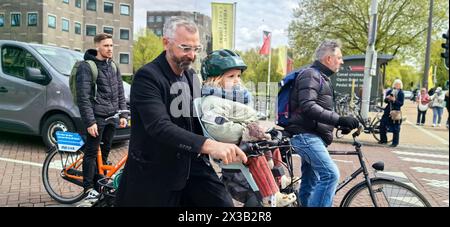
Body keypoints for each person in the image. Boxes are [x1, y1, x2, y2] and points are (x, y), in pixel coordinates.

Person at [115, 17, 247, 207]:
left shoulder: (191, 76)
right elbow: (159, 126)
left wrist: (238, 134)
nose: (192, 55)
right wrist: (210, 146)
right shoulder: (148, 77)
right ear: (166, 42)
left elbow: (198, 121)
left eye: (196, 49)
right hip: (157, 173)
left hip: (192, 167)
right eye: (185, 48)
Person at [199, 49, 297, 207]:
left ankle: (279, 178)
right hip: (233, 149)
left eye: (238, 76)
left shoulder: (232, 99)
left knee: (271, 143)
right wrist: (245, 132)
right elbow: (219, 129)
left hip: (244, 144)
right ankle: (271, 195)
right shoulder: (212, 102)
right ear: (214, 80)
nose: (237, 80)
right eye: (231, 76)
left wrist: (264, 130)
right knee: (257, 155)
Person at [285, 40, 359, 207]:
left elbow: (318, 110)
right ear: (328, 58)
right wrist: (338, 119)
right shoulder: (311, 75)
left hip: (313, 135)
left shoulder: (321, 77)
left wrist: (339, 125)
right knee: (330, 174)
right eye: (339, 57)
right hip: (305, 136)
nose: (342, 61)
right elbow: (308, 106)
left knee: (310, 183)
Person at [76, 33, 128, 201]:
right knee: (91, 153)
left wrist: (123, 113)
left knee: (104, 153)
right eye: (106, 45)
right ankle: (88, 189)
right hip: (97, 117)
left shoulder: (113, 65)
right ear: (97, 46)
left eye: (111, 45)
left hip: (112, 117)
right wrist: (90, 121)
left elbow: (120, 91)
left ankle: (100, 185)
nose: (110, 48)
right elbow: (83, 97)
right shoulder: (87, 66)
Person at [379, 79, 405, 147]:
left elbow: (401, 103)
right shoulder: (390, 91)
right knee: (382, 124)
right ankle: (383, 140)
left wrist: (394, 100)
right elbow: (385, 101)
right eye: (396, 84)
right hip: (388, 110)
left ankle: (395, 142)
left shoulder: (401, 93)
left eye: (398, 84)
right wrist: (387, 98)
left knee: (396, 127)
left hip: (396, 111)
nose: (397, 86)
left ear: (400, 86)